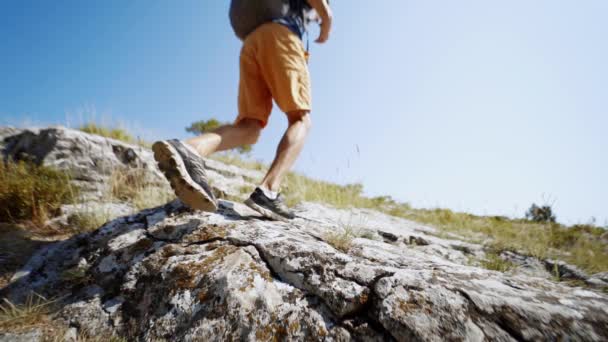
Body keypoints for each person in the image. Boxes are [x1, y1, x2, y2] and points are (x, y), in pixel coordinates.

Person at [152, 0, 333, 220]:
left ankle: (189, 150)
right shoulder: (309, 9)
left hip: (251, 42)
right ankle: (269, 191)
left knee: (250, 126)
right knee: (301, 120)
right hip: (281, 36)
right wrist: (326, 18)